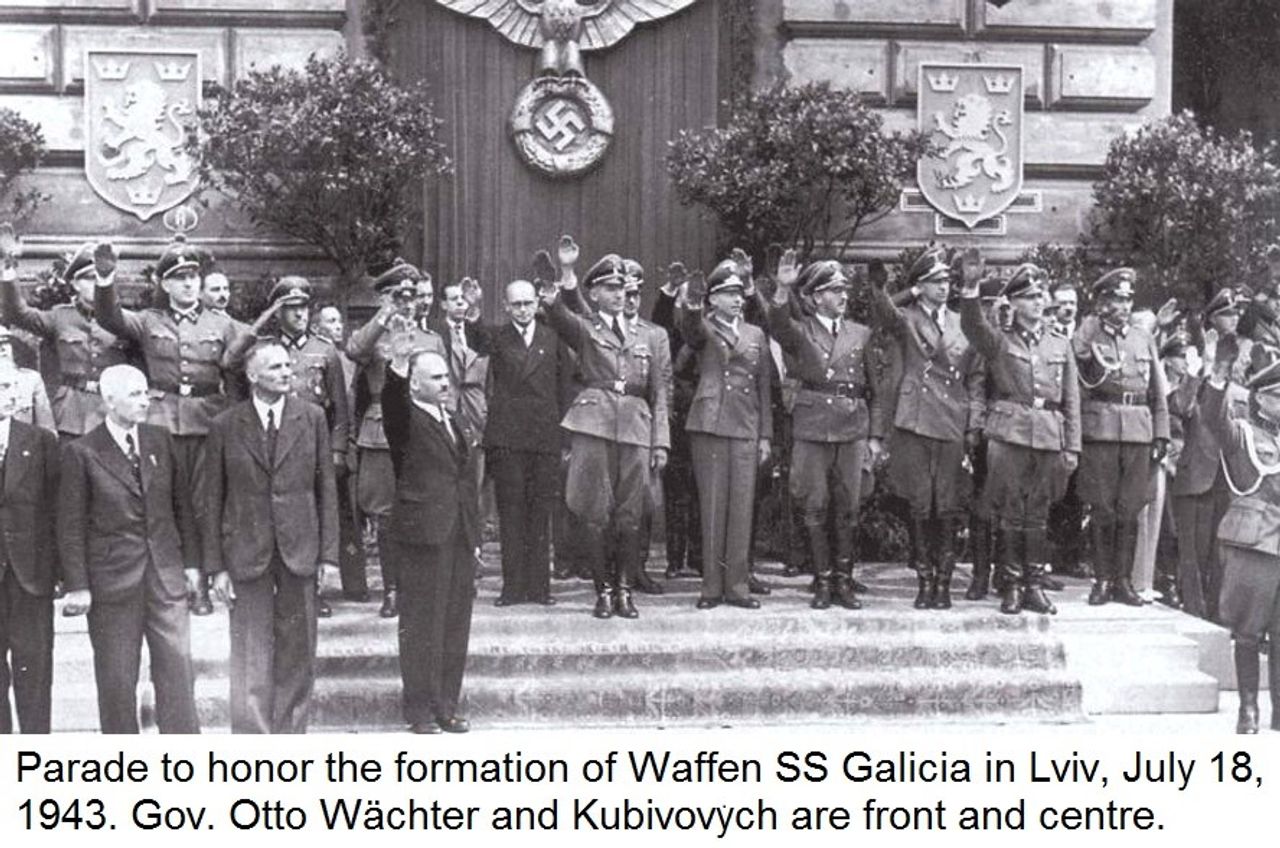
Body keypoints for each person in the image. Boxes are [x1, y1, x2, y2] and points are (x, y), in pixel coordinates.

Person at [94, 236, 251, 617]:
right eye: (180, 278)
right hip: (161, 421)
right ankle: (171, 580)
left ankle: (203, 583)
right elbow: (110, 318)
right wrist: (105, 279)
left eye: (193, 277)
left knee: (204, 504)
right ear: (165, 284)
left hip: (207, 423)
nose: (189, 284)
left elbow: (250, 355)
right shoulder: (149, 320)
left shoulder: (223, 323)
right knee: (163, 502)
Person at [204, 341, 338, 733]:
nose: (286, 373)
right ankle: (253, 741)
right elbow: (212, 499)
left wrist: (328, 556)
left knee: (299, 649)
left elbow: (326, 489)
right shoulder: (226, 425)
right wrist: (216, 568)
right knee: (250, 652)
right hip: (246, 551)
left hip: (299, 549)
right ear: (252, 375)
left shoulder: (311, 418)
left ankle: (291, 737)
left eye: (287, 366)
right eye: (275, 367)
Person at [59, 364, 200, 733]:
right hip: (112, 583)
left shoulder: (160, 440)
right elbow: (70, 526)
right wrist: (78, 585)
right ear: (109, 401)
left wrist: (192, 565)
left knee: (178, 671)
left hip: (165, 577)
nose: (145, 401)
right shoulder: (82, 452)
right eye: (135, 394)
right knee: (117, 679)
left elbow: (182, 507)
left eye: (145, 393)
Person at [541, 253, 670, 618]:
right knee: (595, 510)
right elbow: (561, 318)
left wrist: (661, 441)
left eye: (622, 288)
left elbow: (659, 391)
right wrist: (556, 290)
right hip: (594, 423)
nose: (618, 294)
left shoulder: (648, 334)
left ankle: (625, 591)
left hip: (636, 425)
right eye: (610, 288)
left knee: (631, 512)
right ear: (594, 294)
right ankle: (604, 591)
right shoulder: (587, 328)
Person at [957, 261, 1081, 615]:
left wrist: (1072, 445)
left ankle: (1034, 585)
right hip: (1009, 435)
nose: (1039, 302)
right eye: (1029, 297)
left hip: (1048, 434)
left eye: (1040, 296)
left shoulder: (1059, 343)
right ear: (1012, 303)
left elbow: (1071, 398)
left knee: (1038, 514)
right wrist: (970, 290)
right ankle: (1011, 585)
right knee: (1011, 512)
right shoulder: (999, 340)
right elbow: (972, 325)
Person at [870, 246, 980, 610]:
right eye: (934, 282)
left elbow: (974, 375)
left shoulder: (962, 322)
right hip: (916, 420)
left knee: (945, 504)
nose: (943, 287)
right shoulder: (908, 318)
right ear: (920, 286)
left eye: (946, 281)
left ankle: (944, 582)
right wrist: (908, 291)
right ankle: (925, 580)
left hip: (951, 419)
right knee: (920, 502)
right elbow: (883, 311)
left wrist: (972, 424)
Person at [767, 251, 878, 610]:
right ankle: (823, 581)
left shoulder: (860, 333)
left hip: (852, 427)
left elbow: (876, 388)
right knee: (814, 505)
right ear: (816, 297)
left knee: (848, 506)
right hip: (814, 427)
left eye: (844, 289)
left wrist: (876, 436)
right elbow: (778, 326)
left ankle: (844, 580)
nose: (843, 296)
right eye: (834, 290)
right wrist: (782, 289)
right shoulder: (802, 331)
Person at [382, 349, 480, 734]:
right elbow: (392, 401)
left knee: (455, 623)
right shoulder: (406, 419)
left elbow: (465, 480)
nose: (444, 383)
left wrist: (473, 535)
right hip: (423, 534)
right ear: (415, 384)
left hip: (458, 532)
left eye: (445, 377)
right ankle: (419, 710)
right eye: (435, 378)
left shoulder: (454, 419)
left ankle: (445, 706)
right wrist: (396, 365)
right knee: (422, 623)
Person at [241, 277, 351, 617]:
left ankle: (312, 589)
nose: (300, 314)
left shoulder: (325, 350)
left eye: (304, 307)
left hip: (313, 443)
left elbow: (340, 407)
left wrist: (338, 450)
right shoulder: (265, 348)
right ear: (278, 312)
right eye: (291, 309)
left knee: (313, 513)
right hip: (274, 443)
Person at [346, 259, 445, 618]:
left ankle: (420, 586)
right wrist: (383, 315)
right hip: (382, 432)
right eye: (398, 297)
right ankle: (391, 589)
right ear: (386, 298)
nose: (407, 303)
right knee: (387, 514)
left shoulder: (431, 339)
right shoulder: (376, 335)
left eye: (411, 296)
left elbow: (443, 388)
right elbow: (354, 351)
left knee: (422, 508)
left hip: (421, 429)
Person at [1074, 268, 1170, 606]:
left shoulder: (1143, 338)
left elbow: (1157, 389)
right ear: (1103, 302)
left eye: (1128, 299)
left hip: (1139, 431)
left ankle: (1123, 581)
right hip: (1100, 429)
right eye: (1116, 299)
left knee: (1130, 508)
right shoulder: (1091, 333)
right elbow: (1078, 358)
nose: (1124, 306)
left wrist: (1161, 432)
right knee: (1103, 508)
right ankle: (1102, 580)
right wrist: (1091, 320)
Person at [681, 260, 770, 610]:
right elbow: (690, 330)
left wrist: (766, 436)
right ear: (713, 299)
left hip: (746, 425)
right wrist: (692, 304)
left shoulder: (755, 334)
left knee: (741, 507)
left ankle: (737, 587)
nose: (736, 300)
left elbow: (764, 387)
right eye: (728, 294)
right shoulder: (704, 326)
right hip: (711, 423)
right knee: (713, 506)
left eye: (738, 293)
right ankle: (711, 588)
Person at [470, 276, 564, 606]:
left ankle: (540, 588)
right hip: (508, 437)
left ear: (537, 303)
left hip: (544, 437)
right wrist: (473, 311)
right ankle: (512, 587)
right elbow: (477, 339)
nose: (523, 310)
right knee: (510, 513)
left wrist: (563, 435)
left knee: (540, 513)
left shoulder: (552, 337)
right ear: (506, 307)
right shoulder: (498, 337)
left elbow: (563, 387)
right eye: (516, 304)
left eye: (528, 303)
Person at [1201, 344, 1280, 733]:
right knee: (1248, 629)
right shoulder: (1243, 434)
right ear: (1261, 398)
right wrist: (1219, 376)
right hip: (1254, 541)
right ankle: (1248, 709)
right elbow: (1214, 420)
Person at [0, 227, 132, 440]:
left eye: (100, 277)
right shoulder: (60, 317)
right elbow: (18, 313)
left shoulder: (125, 321)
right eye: (90, 278)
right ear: (75, 284)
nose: (96, 284)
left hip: (114, 409)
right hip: (72, 412)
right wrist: (7, 268)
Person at [0, 362, 59, 733]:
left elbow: (57, 510)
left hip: (31, 577)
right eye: (0, 387)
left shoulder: (40, 443)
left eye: (10, 386)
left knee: (35, 673)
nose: (10, 395)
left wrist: (61, 573)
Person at [312, 304, 368, 601]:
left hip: (348, 444)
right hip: (324, 444)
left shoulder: (349, 358)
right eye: (330, 321)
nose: (338, 326)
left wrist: (344, 446)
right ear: (316, 326)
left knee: (349, 516)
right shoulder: (318, 357)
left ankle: (355, 582)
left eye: (339, 321)